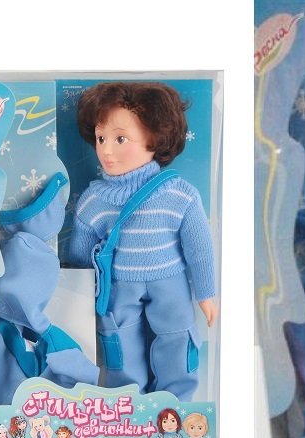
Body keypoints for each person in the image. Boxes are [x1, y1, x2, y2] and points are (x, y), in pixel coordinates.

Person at [69, 82, 217, 400]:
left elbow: (200, 249)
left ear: (155, 136)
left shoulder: (179, 194)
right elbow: (80, 253)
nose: (106, 150)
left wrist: (206, 292)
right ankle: (127, 405)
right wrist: (78, 293)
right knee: (119, 348)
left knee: (177, 339)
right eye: (101, 138)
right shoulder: (94, 200)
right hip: (119, 285)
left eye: (120, 139)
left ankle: (176, 407)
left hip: (170, 281)